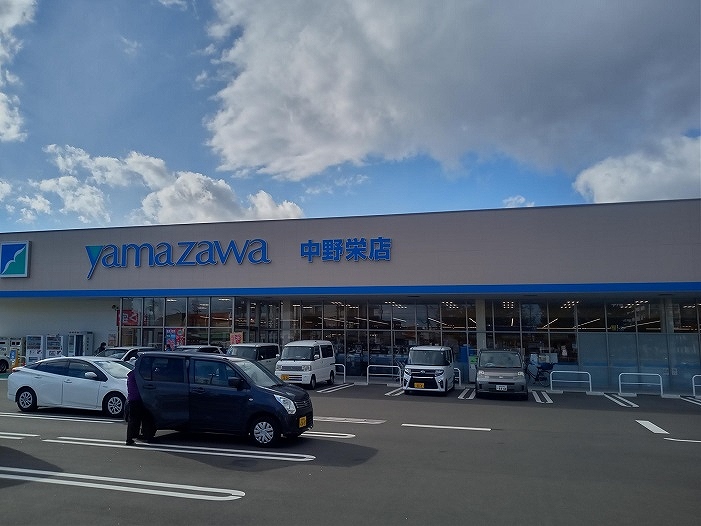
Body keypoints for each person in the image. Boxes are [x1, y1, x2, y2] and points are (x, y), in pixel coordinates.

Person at [125, 368, 143, 445]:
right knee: (133, 419)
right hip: (136, 399)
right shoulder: (136, 374)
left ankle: (133, 435)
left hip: (132, 398)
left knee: (135, 419)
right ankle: (129, 439)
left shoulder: (131, 375)